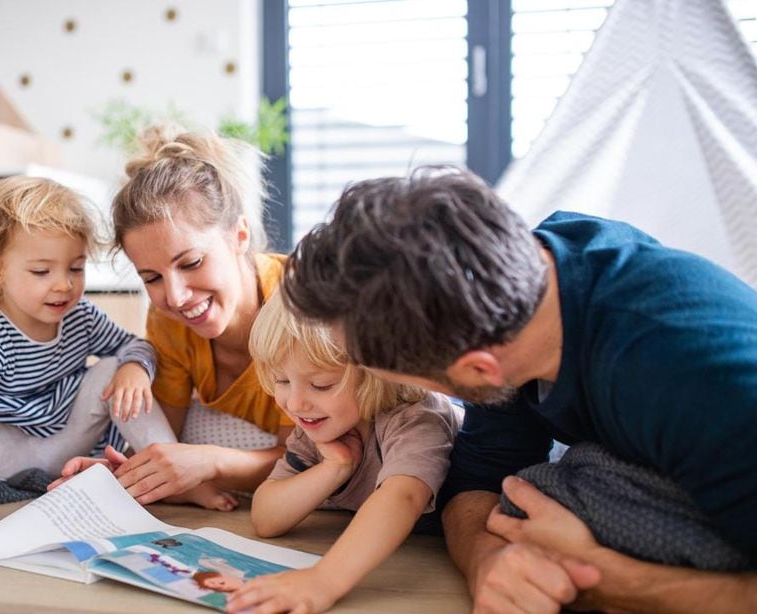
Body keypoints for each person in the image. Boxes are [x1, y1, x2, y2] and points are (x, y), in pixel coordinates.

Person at [280, 166, 757, 612]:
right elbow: (477, 479)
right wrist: (487, 561)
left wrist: (605, 578)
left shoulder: (693, 378)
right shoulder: (512, 300)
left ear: (479, 370)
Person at [0, 176, 181, 544]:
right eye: (42, 271)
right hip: (2, 450)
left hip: (65, 442)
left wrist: (135, 366)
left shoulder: (82, 317)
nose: (63, 285)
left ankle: (169, 466)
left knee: (117, 367)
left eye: (75, 268)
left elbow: (134, 345)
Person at [51, 126, 295, 508]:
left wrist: (208, 461)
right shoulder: (168, 323)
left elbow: (302, 457)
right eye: (152, 278)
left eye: (192, 262)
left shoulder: (297, 304)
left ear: (240, 235)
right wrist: (125, 475)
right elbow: (165, 441)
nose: (177, 297)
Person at [225, 290, 461, 613]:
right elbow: (265, 518)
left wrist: (323, 581)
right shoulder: (318, 425)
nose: (295, 403)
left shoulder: (415, 415)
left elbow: (404, 497)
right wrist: (334, 468)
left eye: (320, 385)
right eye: (282, 381)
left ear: (377, 373)